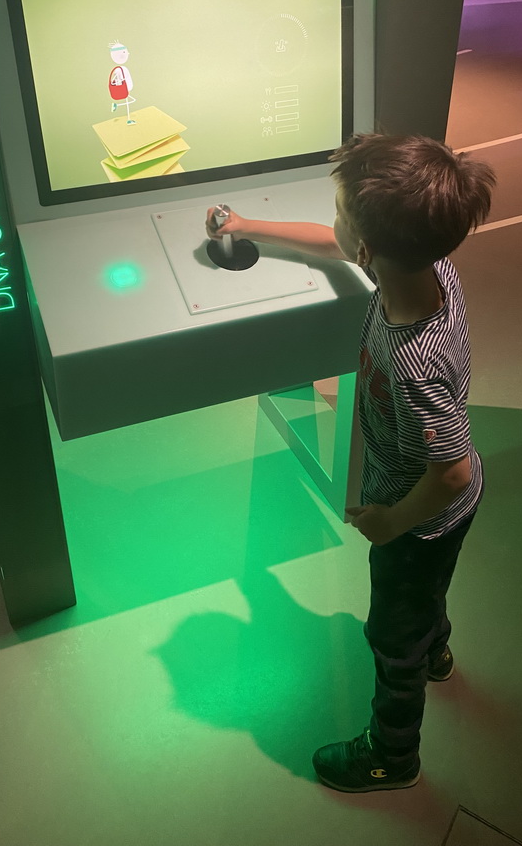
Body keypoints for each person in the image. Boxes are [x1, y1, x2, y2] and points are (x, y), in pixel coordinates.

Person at [206, 133, 496, 793]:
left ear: (367, 251)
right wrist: (249, 227)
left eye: (341, 216)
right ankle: (437, 651)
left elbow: (448, 469)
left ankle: (391, 754)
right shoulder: (429, 267)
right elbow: (335, 240)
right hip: (444, 504)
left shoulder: (414, 359)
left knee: (391, 632)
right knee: (425, 600)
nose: (332, 225)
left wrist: (392, 522)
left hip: (420, 513)